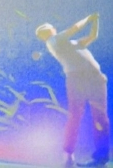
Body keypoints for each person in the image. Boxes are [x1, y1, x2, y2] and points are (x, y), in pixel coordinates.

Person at [36, 13, 110, 168]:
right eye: (46, 30)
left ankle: (101, 159)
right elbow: (74, 28)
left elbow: (93, 36)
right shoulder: (53, 41)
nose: (50, 29)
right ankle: (68, 156)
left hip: (96, 79)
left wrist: (95, 21)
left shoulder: (73, 43)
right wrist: (89, 19)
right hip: (77, 80)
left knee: (101, 118)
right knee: (75, 116)